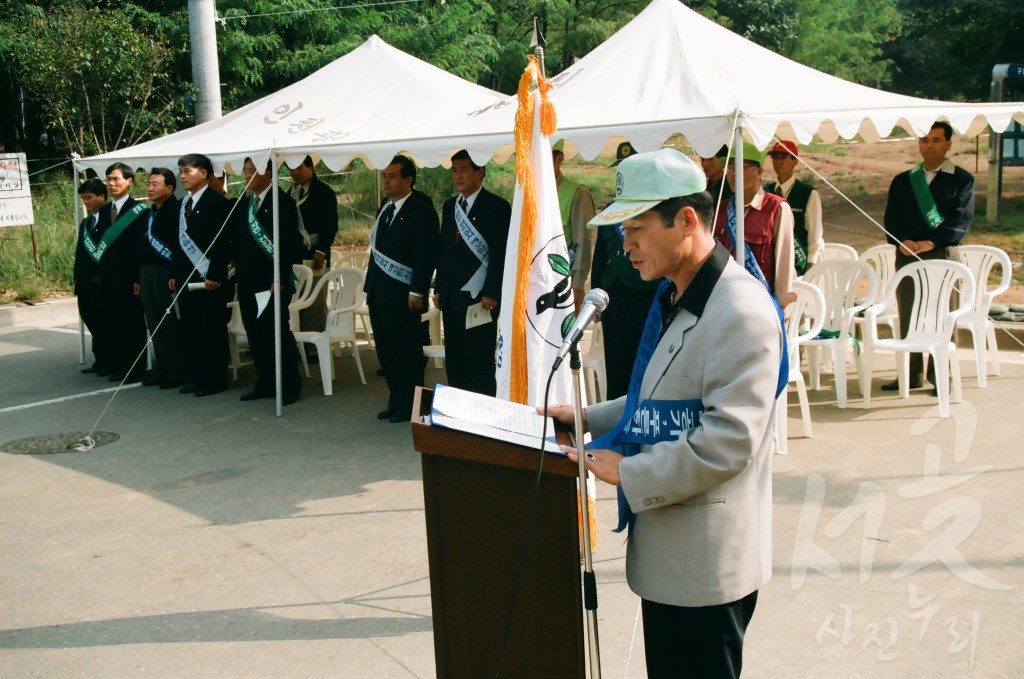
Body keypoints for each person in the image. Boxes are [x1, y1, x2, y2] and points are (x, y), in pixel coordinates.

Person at [549, 148, 782, 679]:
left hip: (705, 571)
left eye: (636, 227)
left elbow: (728, 440)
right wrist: (585, 418)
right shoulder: (678, 293)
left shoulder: (738, 310)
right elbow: (659, 398)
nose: (624, 243)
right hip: (672, 562)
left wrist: (624, 470)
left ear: (687, 221)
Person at [881, 120, 974, 393]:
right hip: (908, 256)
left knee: (944, 315)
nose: (929, 146)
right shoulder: (903, 181)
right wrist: (902, 242)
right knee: (909, 314)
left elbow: (961, 219)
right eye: (924, 140)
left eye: (935, 140)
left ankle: (943, 375)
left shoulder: (962, 179)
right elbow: (892, 219)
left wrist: (929, 241)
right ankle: (911, 374)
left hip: (943, 253)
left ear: (948, 144)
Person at [364, 155, 439, 423]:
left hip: (404, 295)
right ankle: (396, 400)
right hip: (379, 292)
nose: (386, 181)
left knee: (406, 352)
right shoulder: (385, 208)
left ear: (408, 179)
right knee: (386, 351)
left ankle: (412, 405)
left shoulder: (422, 210)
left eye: (392, 176)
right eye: (385, 176)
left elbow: (425, 254)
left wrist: (417, 290)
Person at [433, 149, 511, 396]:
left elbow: (499, 253)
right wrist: (439, 287)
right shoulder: (450, 207)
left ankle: (480, 409)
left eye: (464, 169)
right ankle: (456, 405)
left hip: (480, 297)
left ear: (480, 171)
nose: (458, 176)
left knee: (478, 356)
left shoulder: (496, 206)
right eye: (454, 170)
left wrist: (492, 291)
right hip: (452, 295)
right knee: (455, 355)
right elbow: (444, 249)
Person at [590, 141, 661, 401]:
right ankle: (616, 419)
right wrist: (596, 293)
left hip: (647, 297)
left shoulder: (654, 209)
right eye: (620, 169)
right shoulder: (611, 211)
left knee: (644, 364)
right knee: (617, 366)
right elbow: (601, 258)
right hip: (615, 300)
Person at [234, 157, 304, 405]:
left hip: (271, 282)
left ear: (268, 173)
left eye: (253, 171)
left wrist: (280, 276)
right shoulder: (246, 203)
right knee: (255, 334)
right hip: (247, 280)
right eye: (246, 170)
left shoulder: (281, 203)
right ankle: (264, 381)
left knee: (275, 333)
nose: (247, 175)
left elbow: (290, 244)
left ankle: (288, 385)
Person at [171, 153, 232, 397]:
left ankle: (215, 378)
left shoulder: (217, 203)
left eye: (187, 171)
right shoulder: (182, 204)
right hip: (186, 276)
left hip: (208, 277)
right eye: (181, 171)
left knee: (211, 330)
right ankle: (197, 376)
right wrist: (175, 273)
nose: (182, 176)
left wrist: (215, 274)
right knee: (191, 328)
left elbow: (222, 244)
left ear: (204, 173)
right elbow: (177, 243)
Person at [714, 143, 796, 306]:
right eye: (730, 168)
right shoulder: (722, 208)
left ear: (758, 172)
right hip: (724, 298)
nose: (733, 174)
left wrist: (782, 306)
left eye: (740, 167)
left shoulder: (776, 208)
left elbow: (784, 263)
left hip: (760, 301)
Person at [134, 168, 187, 389]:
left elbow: (178, 245)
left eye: (155, 184)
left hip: (166, 271)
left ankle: (177, 370)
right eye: (148, 184)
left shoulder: (176, 210)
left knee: (169, 323)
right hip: (146, 271)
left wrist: (175, 273)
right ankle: (162, 367)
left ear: (169, 188)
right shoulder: (149, 213)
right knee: (154, 320)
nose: (150, 188)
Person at [96, 162, 149, 383]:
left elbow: (140, 246)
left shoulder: (139, 211)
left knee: (132, 324)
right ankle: (120, 365)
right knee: (114, 322)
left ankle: (135, 368)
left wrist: (137, 278)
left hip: (129, 278)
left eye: (116, 179)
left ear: (129, 181)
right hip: (108, 278)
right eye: (109, 179)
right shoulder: (104, 210)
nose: (112, 183)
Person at [289, 156, 340, 332]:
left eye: (299, 168)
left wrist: (322, 250)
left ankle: (314, 345)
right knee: (296, 298)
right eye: (291, 169)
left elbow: (330, 225)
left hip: (316, 254)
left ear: (311, 168)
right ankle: (298, 342)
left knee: (315, 300)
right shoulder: (291, 191)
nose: (295, 172)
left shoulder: (323, 191)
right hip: (295, 253)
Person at [764, 141, 824, 275]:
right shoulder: (766, 192)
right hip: (771, 261)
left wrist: (810, 263)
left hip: (799, 263)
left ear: (794, 161)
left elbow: (815, 233)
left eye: (783, 157)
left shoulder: (808, 193)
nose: (778, 162)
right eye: (775, 157)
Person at [552, 144, 596, 312]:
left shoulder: (577, 192)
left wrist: (578, 284)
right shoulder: (528, 192)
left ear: (559, 160)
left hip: (563, 282)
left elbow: (583, 242)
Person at [73, 178, 111, 376]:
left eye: (89, 197)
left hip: (101, 281)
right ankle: (100, 359)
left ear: (101, 196)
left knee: (104, 321)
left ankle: (109, 360)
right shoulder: (86, 222)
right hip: (85, 282)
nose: (86, 202)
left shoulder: (110, 219)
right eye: (83, 198)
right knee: (91, 320)